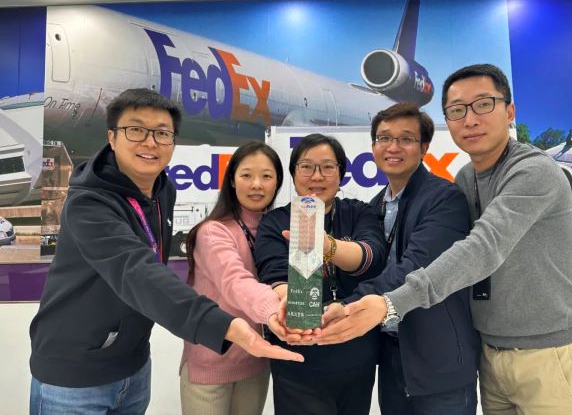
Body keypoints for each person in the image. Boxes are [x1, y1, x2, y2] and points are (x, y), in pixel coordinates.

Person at [318, 64, 572, 414]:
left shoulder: (534, 170)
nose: (470, 120)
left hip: (547, 353)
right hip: (491, 354)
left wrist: (389, 303)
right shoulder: (466, 178)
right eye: (456, 110)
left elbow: (482, 247)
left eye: (483, 104)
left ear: (510, 111)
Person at [29, 88, 302, 414]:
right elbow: (137, 271)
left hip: (133, 366)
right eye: (136, 130)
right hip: (74, 374)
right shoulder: (89, 204)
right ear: (112, 137)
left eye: (162, 133)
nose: (150, 142)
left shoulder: (162, 191)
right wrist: (224, 325)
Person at [332, 102, 479, 414]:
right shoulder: (374, 206)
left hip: (440, 364)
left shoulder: (445, 199)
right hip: (391, 359)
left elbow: (412, 267)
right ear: (373, 146)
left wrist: (345, 307)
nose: (393, 147)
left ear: (424, 147)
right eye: (384, 138)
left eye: (406, 139)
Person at [254, 133, 387, 415]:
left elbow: (371, 257)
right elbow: (274, 275)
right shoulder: (275, 222)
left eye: (327, 167)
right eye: (306, 167)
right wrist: (293, 303)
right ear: (293, 174)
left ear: (341, 173)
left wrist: (327, 247)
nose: (317, 176)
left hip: (356, 352)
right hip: (299, 354)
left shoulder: (359, 212)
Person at [180, 141, 290, 415]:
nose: (257, 184)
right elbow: (235, 282)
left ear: (277, 182)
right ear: (232, 180)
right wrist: (278, 309)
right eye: (246, 175)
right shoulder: (213, 231)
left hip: (256, 361)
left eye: (267, 176)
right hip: (210, 364)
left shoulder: (279, 230)